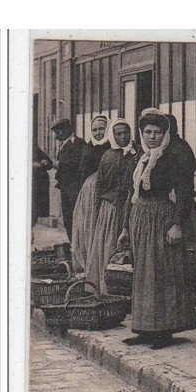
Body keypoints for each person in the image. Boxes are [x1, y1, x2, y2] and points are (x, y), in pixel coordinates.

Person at [118, 109, 196, 350]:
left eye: (157, 132)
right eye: (148, 132)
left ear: (165, 134)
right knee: (143, 273)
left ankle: (164, 331)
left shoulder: (173, 158)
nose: (152, 136)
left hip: (163, 217)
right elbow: (132, 194)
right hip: (140, 217)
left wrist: (177, 224)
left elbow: (185, 193)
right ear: (142, 134)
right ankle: (144, 328)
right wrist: (124, 228)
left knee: (162, 272)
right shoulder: (140, 158)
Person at [163, 113, 196, 308]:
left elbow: (185, 182)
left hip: (181, 205)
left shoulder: (179, 148)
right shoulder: (166, 148)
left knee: (185, 252)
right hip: (172, 202)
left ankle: (188, 297)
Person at [85, 118, 138, 293]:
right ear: (113, 135)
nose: (122, 137)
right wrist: (98, 208)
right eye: (118, 133)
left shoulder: (137, 155)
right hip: (110, 209)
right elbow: (100, 185)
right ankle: (106, 288)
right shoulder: (107, 156)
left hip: (130, 208)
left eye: (126, 133)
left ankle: (128, 290)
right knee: (108, 247)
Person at [71, 115, 111, 273]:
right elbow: (82, 172)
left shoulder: (112, 146)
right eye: (94, 129)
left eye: (101, 128)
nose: (98, 132)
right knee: (89, 227)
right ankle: (89, 267)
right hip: (89, 194)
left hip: (107, 191)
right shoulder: (88, 147)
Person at [51, 118, 88, 241]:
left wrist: (60, 164)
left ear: (67, 130)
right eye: (56, 131)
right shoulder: (63, 144)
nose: (57, 134)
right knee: (67, 217)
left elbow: (80, 163)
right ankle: (72, 243)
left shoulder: (78, 143)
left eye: (60, 131)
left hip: (75, 187)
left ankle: (78, 243)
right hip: (65, 186)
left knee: (75, 215)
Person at [32, 145, 53, 230]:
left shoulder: (34, 149)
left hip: (37, 186)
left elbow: (50, 163)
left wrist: (44, 163)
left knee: (34, 213)